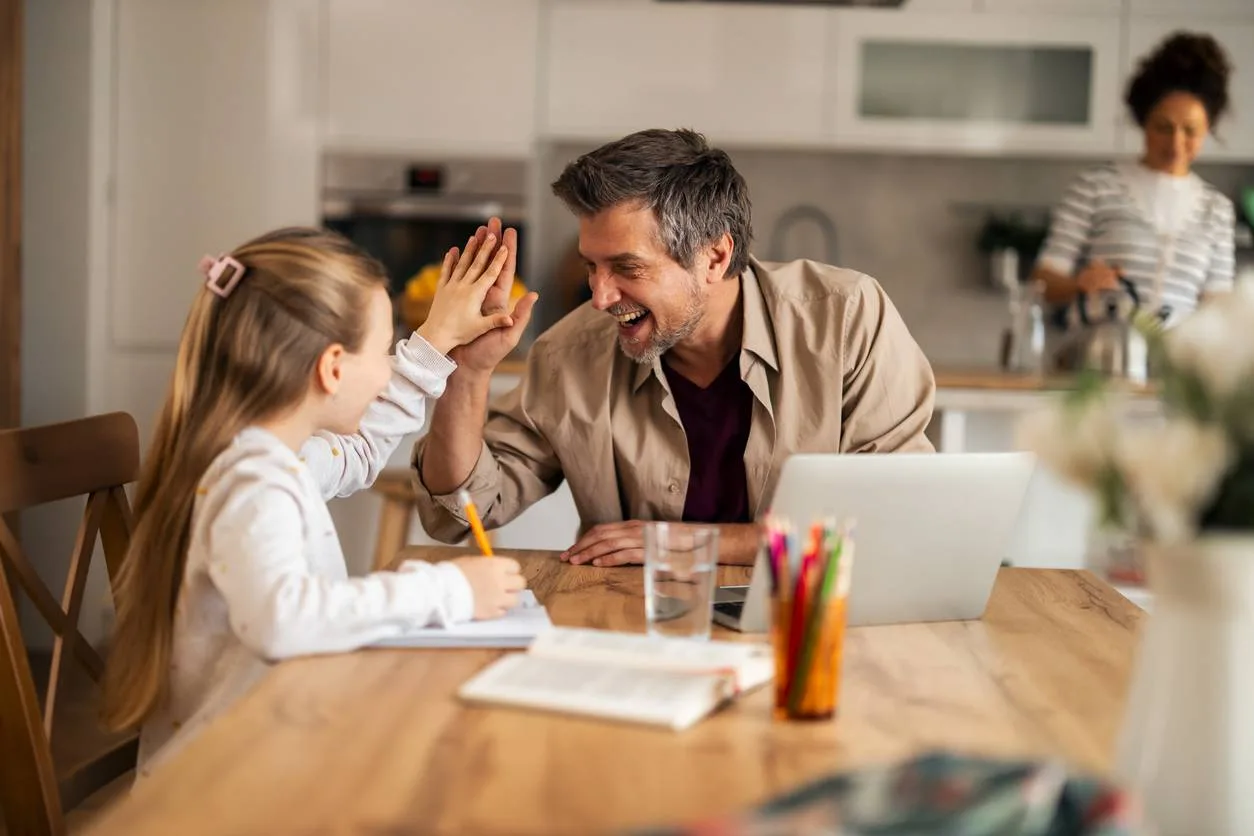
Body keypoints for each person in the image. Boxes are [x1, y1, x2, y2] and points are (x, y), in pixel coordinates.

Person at [101, 227, 527, 774]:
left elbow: (361, 449)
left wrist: (434, 341)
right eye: (382, 350)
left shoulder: (269, 459)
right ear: (331, 367)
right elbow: (287, 620)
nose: (385, 369)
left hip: (266, 753)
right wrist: (448, 588)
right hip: (228, 790)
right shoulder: (254, 481)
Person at [412, 129, 935, 568]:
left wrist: (706, 545)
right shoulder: (570, 353)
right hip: (633, 624)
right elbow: (462, 510)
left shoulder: (846, 318)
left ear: (714, 256)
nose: (599, 296)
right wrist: (467, 372)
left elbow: (903, 514)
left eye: (627, 268)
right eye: (592, 266)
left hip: (809, 623)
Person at [1033, 32, 1237, 326]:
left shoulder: (1216, 210)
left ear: (1208, 130)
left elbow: (1219, 310)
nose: (1176, 143)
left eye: (1190, 130)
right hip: (1097, 358)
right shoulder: (1095, 187)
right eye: (1164, 127)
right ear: (1144, 122)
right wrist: (1080, 282)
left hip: (1176, 367)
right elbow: (1043, 283)